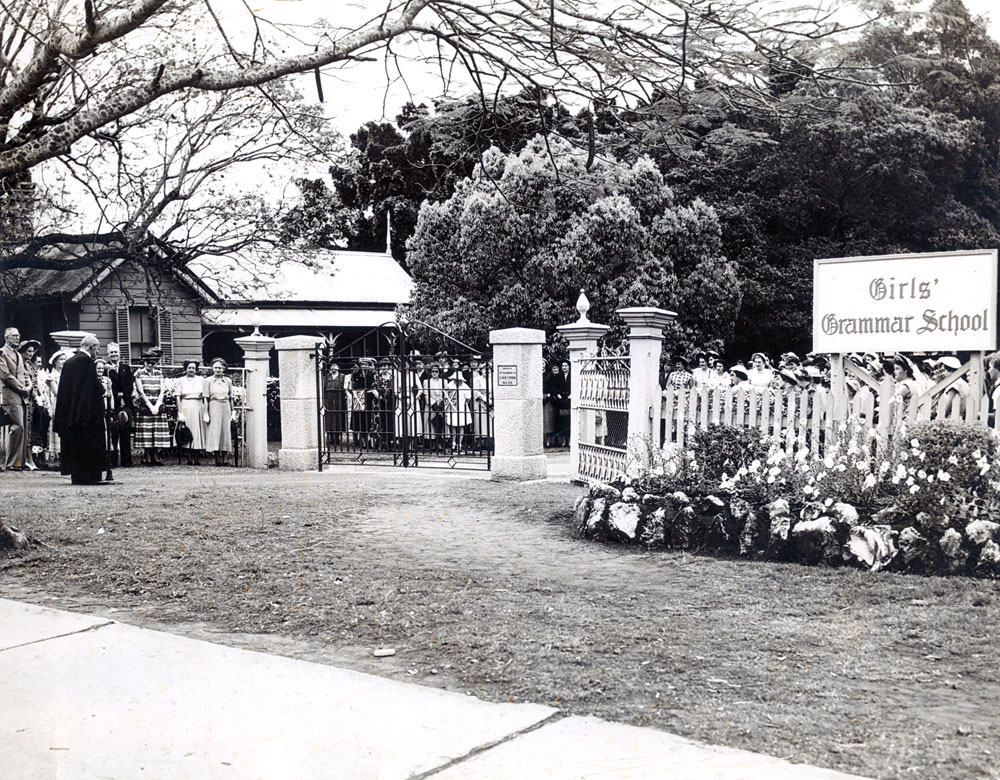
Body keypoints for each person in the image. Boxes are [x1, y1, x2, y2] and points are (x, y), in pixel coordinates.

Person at [52, 335, 108, 485]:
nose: (98, 351)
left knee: (75, 445)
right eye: (97, 348)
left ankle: (77, 475)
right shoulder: (86, 362)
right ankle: (89, 476)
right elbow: (87, 389)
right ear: (92, 347)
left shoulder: (70, 361)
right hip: (84, 413)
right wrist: (101, 388)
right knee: (87, 443)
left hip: (70, 412)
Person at [1, 327, 34, 471]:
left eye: (18, 335)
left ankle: (19, 462)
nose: (17, 338)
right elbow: (6, 375)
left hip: (22, 394)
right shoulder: (2, 353)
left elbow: (24, 373)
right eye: (14, 336)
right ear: (6, 337)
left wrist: (28, 385)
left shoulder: (18, 355)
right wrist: (21, 388)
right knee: (17, 426)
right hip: (11, 393)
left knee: (23, 428)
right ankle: (12, 462)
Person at [133, 347, 171, 465]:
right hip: (146, 404)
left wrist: (157, 405)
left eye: (153, 362)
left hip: (157, 404)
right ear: (144, 362)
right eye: (148, 362)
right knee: (147, 431)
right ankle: (147, 456)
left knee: (156, 431)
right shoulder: (139, 374)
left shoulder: (159, 374)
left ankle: (155, 456)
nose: (150, 364)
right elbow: (141, 392)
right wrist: (150, 406)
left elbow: (162, 390)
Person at [105, 342, 135, 467]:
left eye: (116, 352)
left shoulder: (125, 368)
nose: (114, 355)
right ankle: (112, 461)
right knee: (113, 431)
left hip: (125, 402)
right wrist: (115, 394)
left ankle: (126, 460)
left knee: (125, 431)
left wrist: (124, 394)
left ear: (119, 354)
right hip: (113, 402)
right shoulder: (106, 369)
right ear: (108, 354)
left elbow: (130, 384)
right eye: (111, 352)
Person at [204, 358, 236, 466]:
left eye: (220, 368)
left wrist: (233, 411)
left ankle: (225, 459)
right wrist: (206, 413)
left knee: (225, 431)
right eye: (215, 367)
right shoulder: (208, 381)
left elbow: (231, 397)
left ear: (224, 368)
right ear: (212, 368)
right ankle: (217, 458)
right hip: (214, 406)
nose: (218, 370)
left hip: (225, 406)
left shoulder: (228, 381)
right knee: (215, 431)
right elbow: (205, 398)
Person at [175, 360, 208, 464]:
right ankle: (189, 458)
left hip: (198, 406)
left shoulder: (201, 380)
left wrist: (206, 411)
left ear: (196, 369)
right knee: (187, 430)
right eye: (189, 367)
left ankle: (197, 458)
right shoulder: (180, 380)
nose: (191, 370)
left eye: (193, 368)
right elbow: (177, 397)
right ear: (185, 369)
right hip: (186, 406)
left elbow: (205, 396)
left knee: (198, 431)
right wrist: (180, 413)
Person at [323, 361, 347, 447]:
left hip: (339, 400)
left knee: (339, 418)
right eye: (332, 366)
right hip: (329, 400)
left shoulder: (342, 377)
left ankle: (337, 437)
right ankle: (331, 437)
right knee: (329, 418)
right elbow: (324, 389)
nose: (333, 367)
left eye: (335, 365)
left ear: (338, 367)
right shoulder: (326, 378)